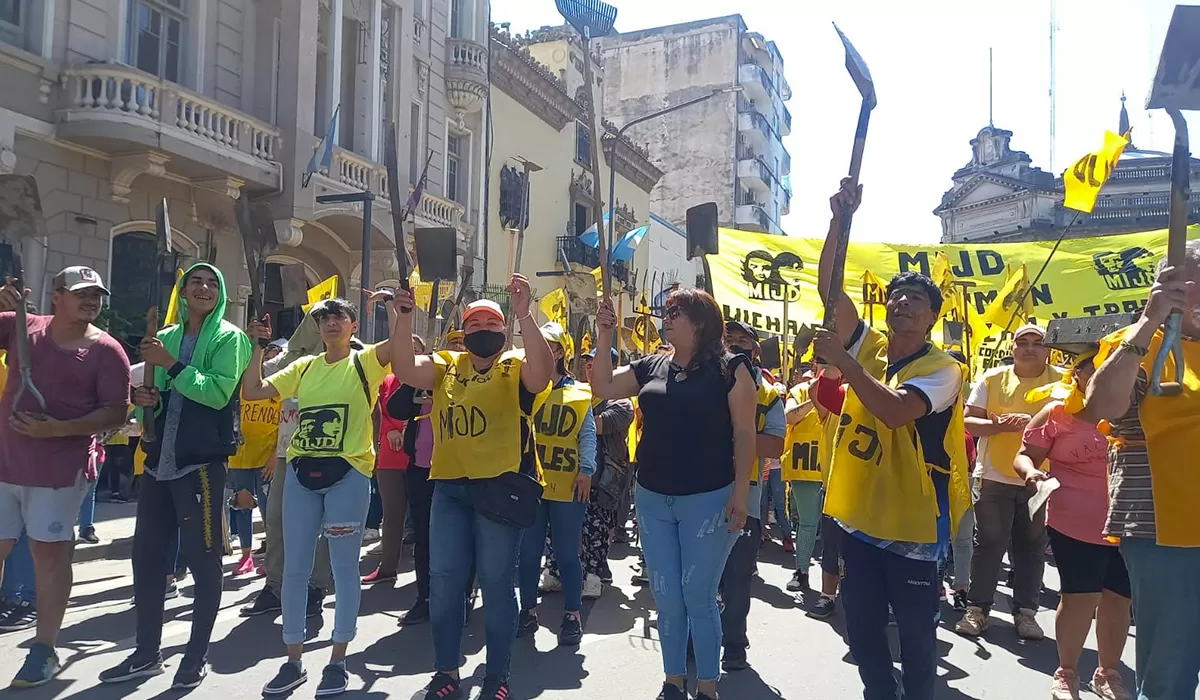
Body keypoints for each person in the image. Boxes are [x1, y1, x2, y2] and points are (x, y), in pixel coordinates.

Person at [814, 179, 970, 700]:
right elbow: (829, 291)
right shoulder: (871, 344)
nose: (902, 301)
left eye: (916, 298)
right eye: (896, 294)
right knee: (860, 627)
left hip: (914, 521)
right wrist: (839, 220)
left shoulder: (943, 368)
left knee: (916, 634)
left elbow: (894, 411)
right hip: (859, 516)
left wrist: (845, 362)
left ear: (932, 317)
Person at [390, 275, 553, 700]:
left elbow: (542, 375)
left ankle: (497, 677)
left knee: (498, 583)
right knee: (444, 582)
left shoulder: (515, 365)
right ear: (465, 331)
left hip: (499, 490)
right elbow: (406, 369)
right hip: (449, 490)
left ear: (504, 331)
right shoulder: (447, 364)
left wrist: (525, 315)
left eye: (491, 323)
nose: (483, 329)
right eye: (474, 323)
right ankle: (446, 672)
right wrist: (403, 321)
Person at [591, 288, 756, 700]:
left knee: (698, 595)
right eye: (666, 312)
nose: (666, 318)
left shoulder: (732, 368)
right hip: (652, 496)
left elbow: (744, 433)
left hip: (709, 498)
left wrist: (740, 493)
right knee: (665, 596)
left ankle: (707, 686)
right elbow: (603, 386)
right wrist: (605, 335)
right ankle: (672, 681)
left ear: (700, 322)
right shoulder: (651, 365)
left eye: (675, 312)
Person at [99, 263, 247, 690]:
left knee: (204, 562)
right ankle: (146, 654)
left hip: (199, 465)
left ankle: (195, 656)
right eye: (194, 282)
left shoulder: (229, 339)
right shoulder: (163, 337)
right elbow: (155, 403)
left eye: (211, 282)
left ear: (219, 294)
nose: (202, 287)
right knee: (146, 560)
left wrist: (172, 367)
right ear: (182, 292)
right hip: (158, 462)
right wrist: (146, 397)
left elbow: (218, 393)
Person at [245, 297, 397, 697]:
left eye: (338, 317)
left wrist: (400, 313)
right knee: (294, 569)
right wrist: (256, 346)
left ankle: (338, 660)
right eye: (323, 318)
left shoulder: (365, 362)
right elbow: (255, 391)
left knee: (344, 569)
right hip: (300, 473)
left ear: (352, 324)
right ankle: (293, 660)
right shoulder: (306, 366)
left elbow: (398, 350)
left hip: (348, 475)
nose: (330, 323)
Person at [0, 267, 130, 687]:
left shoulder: (107, 351)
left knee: (49, 555)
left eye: (96, 294)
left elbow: (115, 413)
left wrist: (54, 429)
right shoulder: (23, 326)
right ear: (56, 296)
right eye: (81, 293)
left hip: (60, 472)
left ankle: (44, 649)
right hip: (4, 462)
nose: (91, 300)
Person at [1086, 252, 1200, 700]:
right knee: (1170, 666)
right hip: (1163, 527)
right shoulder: (1135, 344)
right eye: (1187, 283)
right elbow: (1101, 407)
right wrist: (1150, 323)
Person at [1012, 353, 1133, 700]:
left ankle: (1108, 674)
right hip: (1074, 523)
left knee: (1118, 600)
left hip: (1129, 522)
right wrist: (1031, 473)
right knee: (1079, 598)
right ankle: (1066, 673)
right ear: (1076, 373)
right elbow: (1024, 454)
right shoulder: (1056, 413)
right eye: (1094, 367)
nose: (1103, 374)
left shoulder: (1136, 408)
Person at [956, 324, 1064, 640]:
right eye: (1023, 341)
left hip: (1041, 478)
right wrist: (998, 424)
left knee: (1031, 547)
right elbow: (968, 421)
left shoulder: (1061, 381)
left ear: (1048, 349)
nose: (1030, 347)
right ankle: (977, 610)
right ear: (1013, 347)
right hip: (994, 475)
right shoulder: (992, 379)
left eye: (1037, 342)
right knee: (989, 545)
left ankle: (1026, 613)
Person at [240, 332, 335, 618]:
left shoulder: (349, 356)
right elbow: (254, 382)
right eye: (317, 320)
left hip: (327, 451)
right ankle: (275, 586)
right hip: (287, 450)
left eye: (331, 318)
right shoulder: (290, 359)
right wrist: (256, 346)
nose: (323, 325)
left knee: (322, 524)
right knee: (277, 519)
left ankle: (316, 587)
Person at [517, 322, 596, 645]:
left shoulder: (578, 391)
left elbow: (587, 433)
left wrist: (587, 469)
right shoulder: (522, 386)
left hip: (567, 483)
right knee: (528, 552)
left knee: (566, 553)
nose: (542, 349)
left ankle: (572, 614)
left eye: (549, 344)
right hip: (530, 483)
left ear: (561, 351)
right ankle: (528, 611)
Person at [720, 320, 785, 673]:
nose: (733, 345)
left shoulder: (770, 395)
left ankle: (733, 644)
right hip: (700, 493)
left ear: (755, 350)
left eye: (742, 341)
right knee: (699, 579)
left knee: (736, 578)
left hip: (749, 497)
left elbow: (775, 444)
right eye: (728, 340)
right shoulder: (708, 381)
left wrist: (734, 437)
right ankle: (693, 639)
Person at [363, 334, 425, 585]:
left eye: (415, 348)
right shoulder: (386, 380)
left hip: (422, 455)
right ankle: (388, 566)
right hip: (390, 456)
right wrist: (390, 429)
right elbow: (377, 410)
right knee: (392, 514)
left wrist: (407, 428)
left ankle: (426, 573)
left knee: (423, 516)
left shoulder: (429, 378)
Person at [227, 338, 285, 576]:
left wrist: (275, 457)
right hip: (239, 459)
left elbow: (285, 425)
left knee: (269, 511)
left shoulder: (279, 389)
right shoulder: (239, 390)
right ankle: (245, 556)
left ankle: (271, 557)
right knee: (242, 507)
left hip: (266, 461)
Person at [580, 348, 633, 587]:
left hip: (605, 478)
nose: (590, 369)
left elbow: (598, 426)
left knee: (599, 528)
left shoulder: (621, 402)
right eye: (588, 364)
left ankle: (595, 573)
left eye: (597, 364)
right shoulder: (578, 394)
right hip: (576, 474)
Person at [782, 369, 824, 592]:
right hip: (805, 466)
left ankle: (835, 582)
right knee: (808, 523)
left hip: (834, 468)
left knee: (836, 529)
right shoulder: (799, 390)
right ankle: (802, 571)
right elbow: (789, 417)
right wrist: (815, 397)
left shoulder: (847, 390)